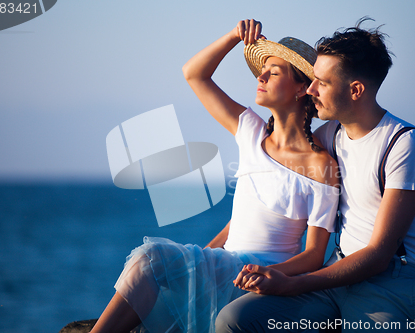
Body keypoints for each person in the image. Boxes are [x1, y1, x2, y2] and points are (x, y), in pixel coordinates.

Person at [90, 19, 339, 333]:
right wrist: (235, 36)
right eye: (262, 70)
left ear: (302, 88)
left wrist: (268, 273)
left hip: (263, 276)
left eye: (273, 73)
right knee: (152, 265)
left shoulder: (321, 165)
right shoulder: (250, 131)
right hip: (227, 266)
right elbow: (194, 73)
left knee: (150, 258)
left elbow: (315, 253)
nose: (260, 77)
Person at [216, 17, 415, 333]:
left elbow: (379, 255)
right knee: (235, 320)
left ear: (356, 90)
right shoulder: (329, 136)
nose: (311, 89)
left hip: (396, 279)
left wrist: (292, 284)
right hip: (337, 270)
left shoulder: (405, 145)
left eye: (322, 82)